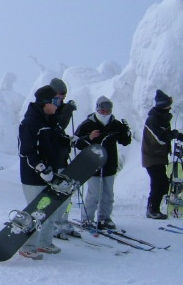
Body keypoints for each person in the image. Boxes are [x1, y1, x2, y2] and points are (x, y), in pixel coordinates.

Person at [18, 85, 72, 259]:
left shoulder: (50, 120)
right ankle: (27, 246)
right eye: (55, 100)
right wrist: (40, 168)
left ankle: (44, 243)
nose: (58, 104)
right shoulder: (30, 122)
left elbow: (58, 141)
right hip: (33, 176)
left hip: (51, 173)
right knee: (37, 212)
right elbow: (26, 150)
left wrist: (74, 141)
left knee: (50, 210)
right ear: (45, 102)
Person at [74, 96, 132, 229]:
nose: (105, 113)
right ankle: (87, 218)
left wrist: (126, 131)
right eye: (102, 111)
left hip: (110, 164)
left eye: (108, 111)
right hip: (92, 164)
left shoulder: (116, 124)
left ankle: (105, 218)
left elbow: (125, 141)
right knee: (93, 194)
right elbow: (77, 143)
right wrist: (89, 137)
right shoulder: (87, 124)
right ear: (97, 109)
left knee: (108, 195)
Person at [48, 77, 81, 239]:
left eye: (64, 96)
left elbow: (60, 132)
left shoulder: (59, 108)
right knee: (55, 193)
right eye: (59, 95)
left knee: (66, 192)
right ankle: (53, 223)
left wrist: (68, 140)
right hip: (51, 160)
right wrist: (67, 112)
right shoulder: (47, 109)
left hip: (61, 157)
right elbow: (57, 127)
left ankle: (62, 221)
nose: (62, 98)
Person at [142, 89, 182, 219]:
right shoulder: (153, 119)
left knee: (161, 183)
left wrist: (177, 135)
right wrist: (172, 135)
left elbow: (165, 135)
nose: (170, 107)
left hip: (159, 157)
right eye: (167, 105)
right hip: (151, 156)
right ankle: (152, 210)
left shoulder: (162, 118)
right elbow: (159, 138)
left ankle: (153, 208)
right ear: (162, 105)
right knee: (159, 183)